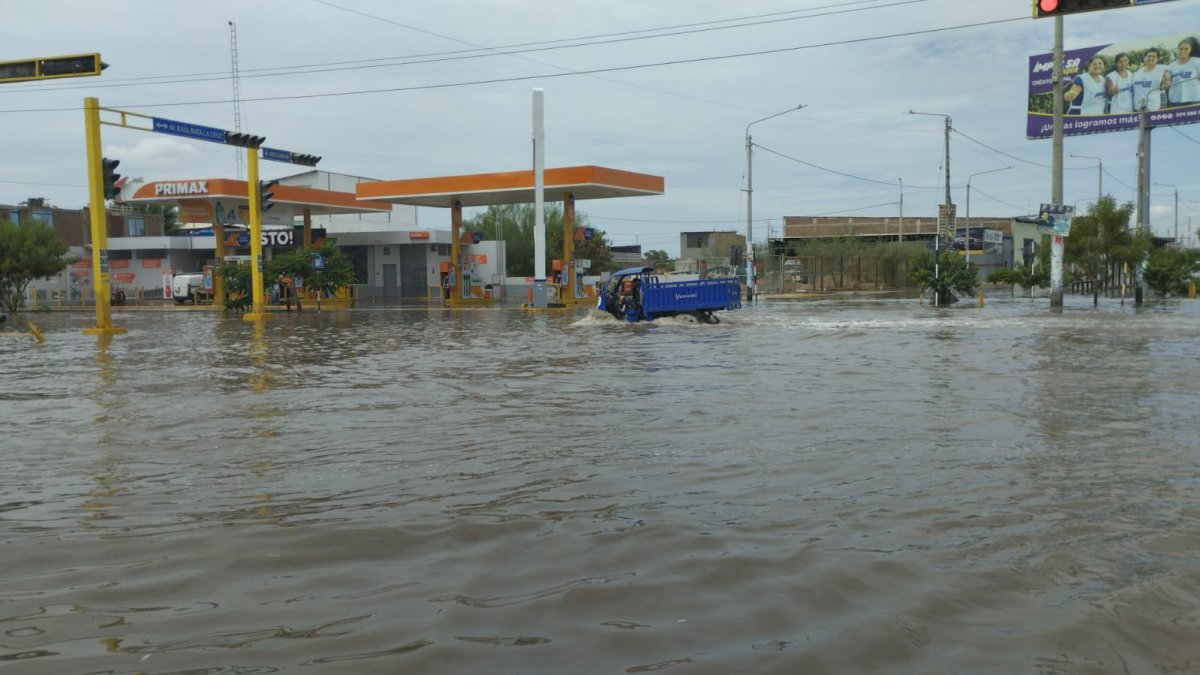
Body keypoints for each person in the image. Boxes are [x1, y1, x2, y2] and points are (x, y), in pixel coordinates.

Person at [1131, 47, 1170, 112]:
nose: (1151, 58)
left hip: (1154, 108)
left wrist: (1166, 80)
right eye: (1149, 56)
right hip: (1138, 108)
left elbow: (1165, 88)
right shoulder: (1137, 72)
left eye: (1154, 56)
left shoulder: (1163, 69)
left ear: (1157, 59)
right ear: (1144, 58)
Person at [1165, 36, 1200, 107]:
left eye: (1186, 49)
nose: (1183, 51)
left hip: (1194, 99)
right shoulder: (1170, 66)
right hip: (1175, 100)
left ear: (1191, 50)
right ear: (1177, 50)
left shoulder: (1197, 61)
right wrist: (1166, 80)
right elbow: (1166, 87)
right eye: (1181, 49)